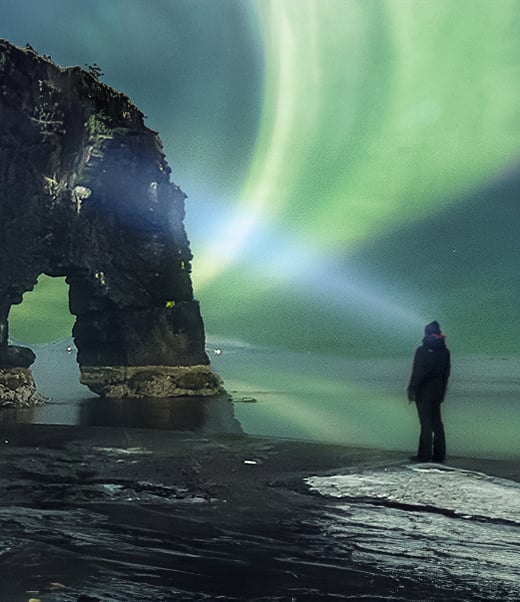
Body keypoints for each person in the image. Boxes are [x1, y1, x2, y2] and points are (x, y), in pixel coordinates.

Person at [407, 320, 451, 462]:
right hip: (437, 392)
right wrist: (442, 392)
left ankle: (424, 455)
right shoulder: (445, 352)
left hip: (424, 392)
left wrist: (412, 389)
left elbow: (419, 372)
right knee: (437, 423)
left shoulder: (422, 350)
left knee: (425, 424)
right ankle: (439, 455)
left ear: (427, 334)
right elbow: (446, 374)